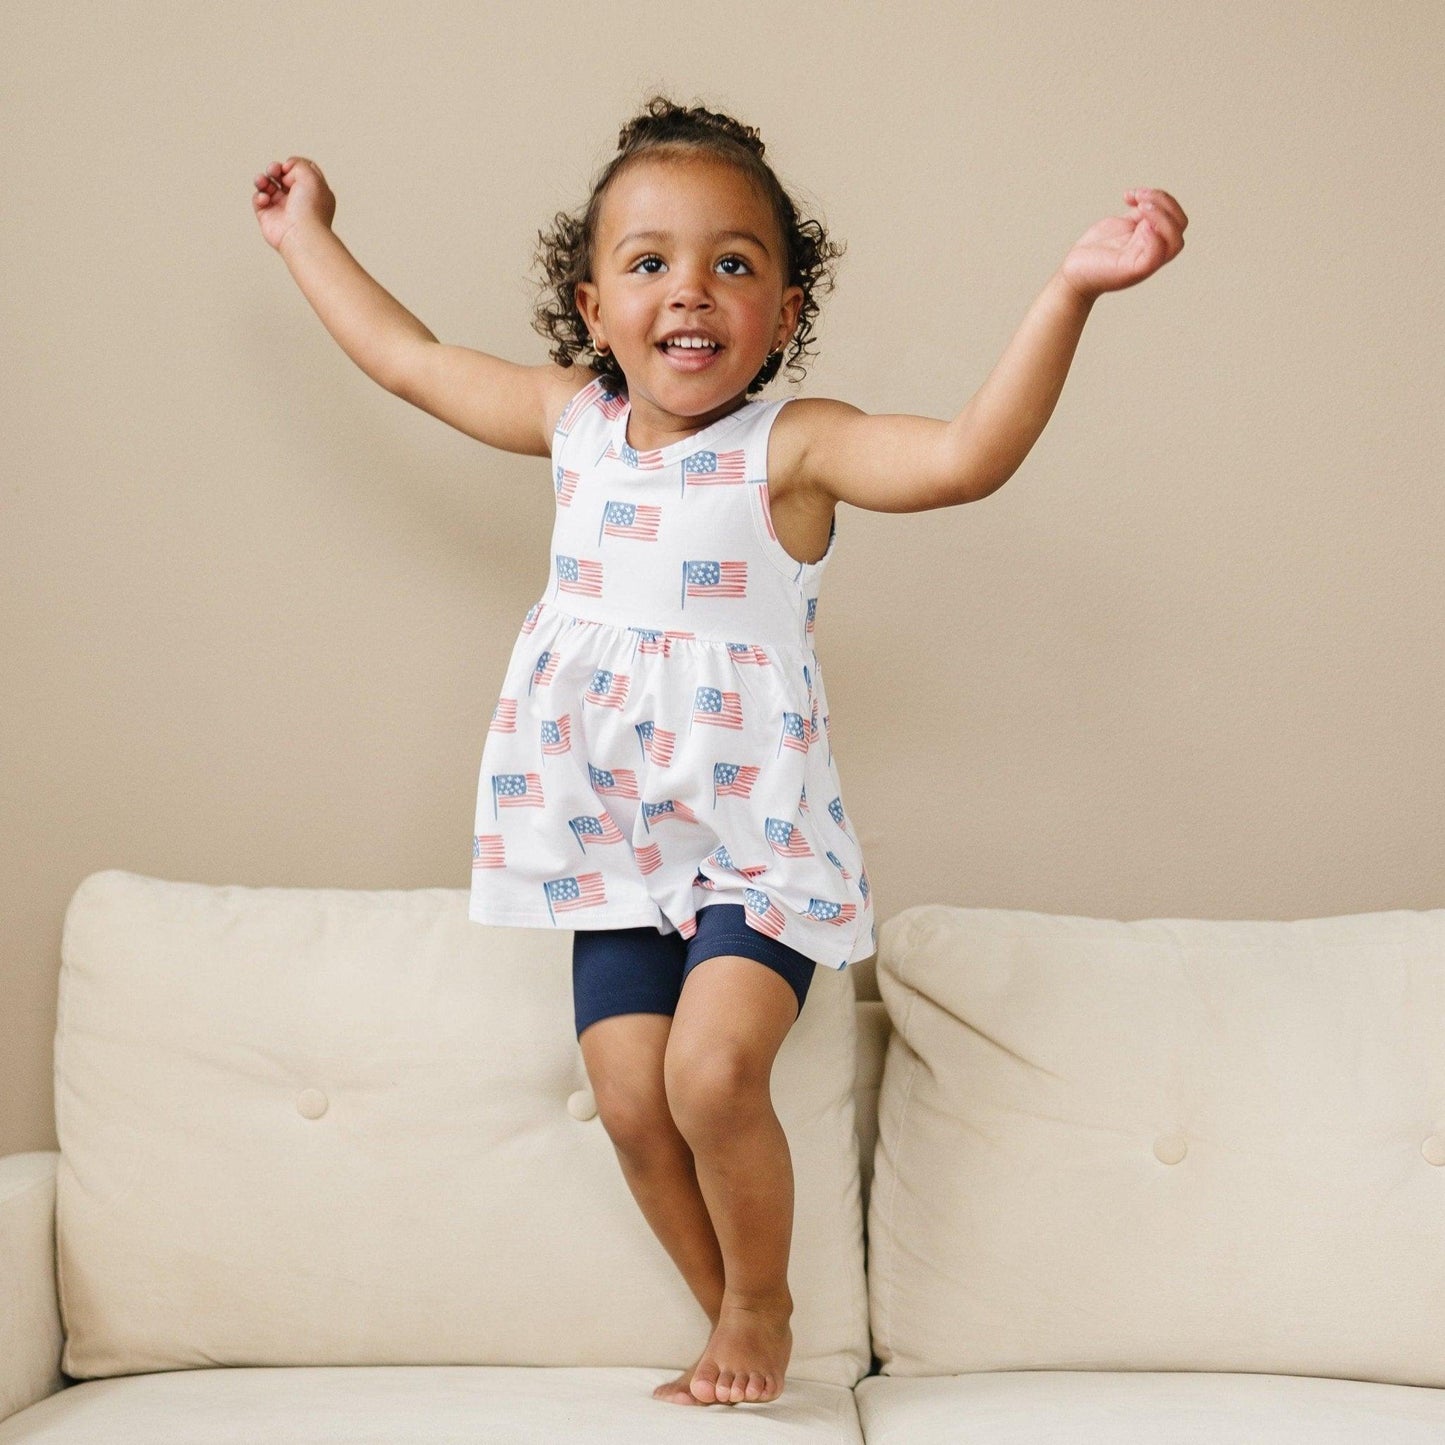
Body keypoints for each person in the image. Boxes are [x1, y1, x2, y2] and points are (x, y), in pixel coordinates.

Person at [252, 94, 1186, 1408]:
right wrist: (306, 238)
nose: (689, 291)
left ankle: (760, 1296)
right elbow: (406, 357)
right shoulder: (570, 429)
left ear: (785, 311)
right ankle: (728, 1315)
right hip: (612, 838)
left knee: (707, 1071)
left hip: (756, 841)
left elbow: (968, 458)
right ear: (591, 308)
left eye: (732, 264)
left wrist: (1072, 289)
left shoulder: (788, 451)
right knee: (632, 1099)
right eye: (648, 263)